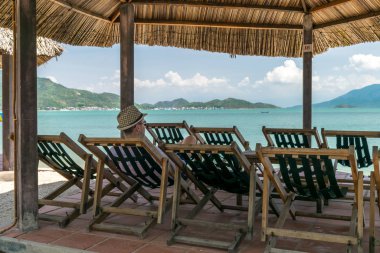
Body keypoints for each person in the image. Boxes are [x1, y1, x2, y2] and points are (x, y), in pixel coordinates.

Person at [117, 105, 197, 144]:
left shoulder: (114, 151)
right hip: (169, 169)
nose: (144, 126)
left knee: (181, 143)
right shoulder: (146, 147)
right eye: (144, 123)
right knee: (192, 138)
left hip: (135, 176)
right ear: (138, 128)